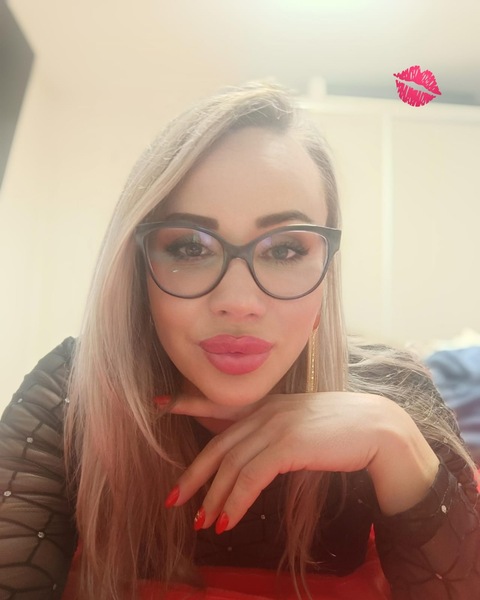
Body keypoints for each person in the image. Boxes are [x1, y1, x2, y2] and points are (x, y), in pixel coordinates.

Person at [0, 82, 479, 600]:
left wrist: (396, 443)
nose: (239, 302)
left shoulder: (395, 393)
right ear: (137, 269)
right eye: (190, 246)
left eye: (286, 250)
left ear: (327, 268)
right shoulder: (72, 391)